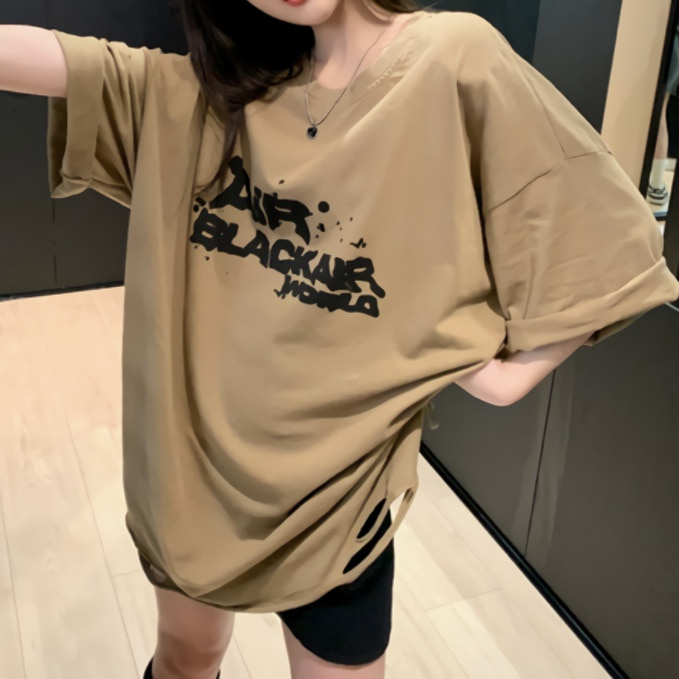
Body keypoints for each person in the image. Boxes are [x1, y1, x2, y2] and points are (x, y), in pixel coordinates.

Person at [1, 1, 678, 678]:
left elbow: (600, 222)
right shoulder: (215, 96)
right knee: (187, 657)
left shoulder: (451, 58)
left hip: (338, 499)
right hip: (194, 481)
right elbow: (64, 63)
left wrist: (507, 375)